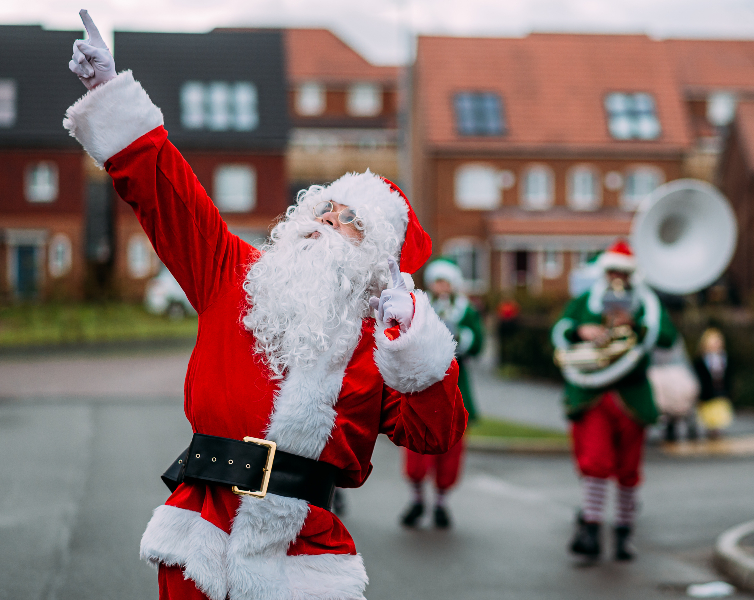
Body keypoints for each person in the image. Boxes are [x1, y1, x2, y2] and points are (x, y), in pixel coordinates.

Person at [66, 25, 465, 600]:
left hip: (303, 556)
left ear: (375, 262)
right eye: (325, 207)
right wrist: (112, 94)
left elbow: (437, 433)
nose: (326, 221)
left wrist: (418, 350)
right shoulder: (233, 272)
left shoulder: (382, 345)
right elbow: (167, 197)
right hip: (200, 530)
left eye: (350, 222)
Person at [551, 240, 676, 561]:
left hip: (631, 395)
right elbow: (560, 330)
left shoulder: (645, 303)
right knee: (594, 462)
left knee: (628, 469)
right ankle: (591, 528)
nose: (617, 277)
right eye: (612, 271)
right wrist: (582, 331)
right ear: (604, 272)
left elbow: (668, 338)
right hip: (592, 393)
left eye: (623, 272)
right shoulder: (585, 302)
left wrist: (635, 324)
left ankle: (623, 533)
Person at [400, 258, 483, 529]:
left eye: (447, 282)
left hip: (456, 386)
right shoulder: (421, 307)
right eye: (438, 281)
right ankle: (417, 498)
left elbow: (478, 343)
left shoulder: (465, 310)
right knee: (417, 445)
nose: (442, 286)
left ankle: (441, 503)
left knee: (452, 447)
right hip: (425, 385)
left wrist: (463, 337)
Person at [692, 328, 733, 440]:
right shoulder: (701, 360)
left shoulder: (724, 359)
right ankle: (711, 431)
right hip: (707, 394)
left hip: (720, 392)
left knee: (719, 412)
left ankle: (716, 432)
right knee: (709, 414)